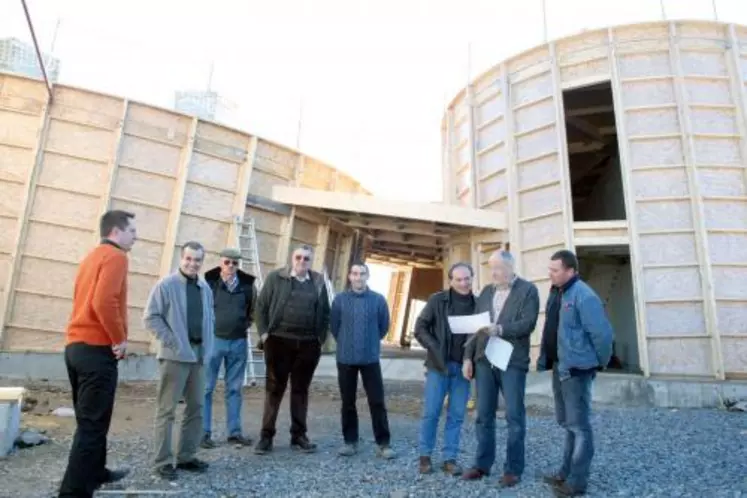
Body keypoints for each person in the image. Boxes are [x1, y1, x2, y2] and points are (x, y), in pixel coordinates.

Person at [58, 210, 137, 498]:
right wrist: (119, 340)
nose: (135, 237)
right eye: (132, 232)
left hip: (75, 348)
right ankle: (72, 493)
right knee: (92, 426)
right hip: (96, 350)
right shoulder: (116, 257)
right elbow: (104, 301)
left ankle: (96, 471)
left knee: (91, 421)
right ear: (116, 231)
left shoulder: (92, 256)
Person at [537, 250, 613, 497]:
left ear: (570, 271)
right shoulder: (557, 292)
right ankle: (564, 473)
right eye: (549, 269)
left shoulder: (584, 296)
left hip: (577, 371)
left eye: (555, 270)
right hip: (560, 367)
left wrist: (598, 363)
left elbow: (602, 335)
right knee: (567, 423)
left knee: (579, 427)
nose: (550, 274)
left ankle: (577, 483)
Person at [461, 250, 540, 488]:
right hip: (484, 361)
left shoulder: (528, 290)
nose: (493, 273)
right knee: (483, 415)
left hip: (512, 362)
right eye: (491, 268)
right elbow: (474, 327)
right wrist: (467, 358)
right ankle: (482, 464)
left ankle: (513, 469)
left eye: (497, 268)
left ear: (510, 267)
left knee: (514, 416)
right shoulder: (486, 291)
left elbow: (528, 323)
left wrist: (501, 330)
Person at [144, 241, 215, 481]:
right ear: (181, 258)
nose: (193, 264)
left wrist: (208, 348)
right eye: (189, 258)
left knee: (196, 407)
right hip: (174, 357)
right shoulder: (166, 285)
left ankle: (186, 456)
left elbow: (209, 319)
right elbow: (151, 317)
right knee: (167, 410)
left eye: (197, 260)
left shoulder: (204, 287)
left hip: (199, 355)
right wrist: (173, 342)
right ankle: (162, 461)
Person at [254, 244, 330, 455]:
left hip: (307, 344)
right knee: (274, 390)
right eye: (298, 257)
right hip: (278, 341)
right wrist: (264, 335)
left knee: (300, 391)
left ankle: (298, 435)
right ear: (292, 258)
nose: (301, 262)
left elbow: (325, 312)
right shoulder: (275, 278)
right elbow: (261, 307)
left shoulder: (318, 282)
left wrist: (319, 339)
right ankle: (266, 437)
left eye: (306, 259)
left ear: (311, 261)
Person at [414, 262, 475, 476]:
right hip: (438, 366)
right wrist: (434, 347)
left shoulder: (478, 304)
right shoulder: (437, 300)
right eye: (458, 279)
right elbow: (420, 327)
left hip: (464, 368)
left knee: (457, 415)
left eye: (467, 278)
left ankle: (450, 459)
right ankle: (425, 456)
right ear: (451, 281)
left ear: (472, 278)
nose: (463, 283)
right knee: (431, 412)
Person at [330, 262, 394, 459]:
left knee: (377, 401)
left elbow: (384, 326)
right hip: (346, 358)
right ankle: (350, 442)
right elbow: (335, 327)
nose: (358, 277)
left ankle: (383, 443)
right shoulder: (340, 300)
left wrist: (370, 341)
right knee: (348, 401)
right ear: (350, 277)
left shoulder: (378, 300)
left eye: (362, 274)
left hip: (370, 358)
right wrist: (347, 342)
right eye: (355, 274)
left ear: (367, 276)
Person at [201, 248, 256, 448]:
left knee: (234, 389)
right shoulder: (209, 284)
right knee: (206, 388)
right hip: (214, 341)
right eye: (227, 262)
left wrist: (241, 326)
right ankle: (203, 432)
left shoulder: (247, 287)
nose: (231, 266)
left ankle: (234, 432)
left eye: (234, 263)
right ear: (220, 262)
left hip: (238, 342)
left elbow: (251, 311)